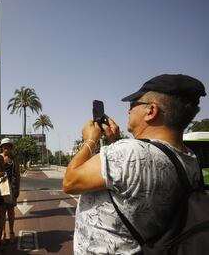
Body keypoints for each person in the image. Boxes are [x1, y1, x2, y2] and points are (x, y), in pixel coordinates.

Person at [63, 74, 206, 254]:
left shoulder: (128, 152)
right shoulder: (190, 158)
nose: (129, 110)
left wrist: (89, 141)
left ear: (151, 111)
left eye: (133, 104)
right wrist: (114, 140)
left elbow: (70, 182)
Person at [0, 138, 20, 244]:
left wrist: (17, 188)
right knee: (2, 211)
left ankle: (11, 232)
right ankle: (3, 233)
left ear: (11, 147)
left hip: (11, 187)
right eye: (4, 145)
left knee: (11, 211)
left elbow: (17, 175)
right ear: (2, 147)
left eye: (8, 145)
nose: (6, 147)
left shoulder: (14, 159)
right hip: (1, 188)